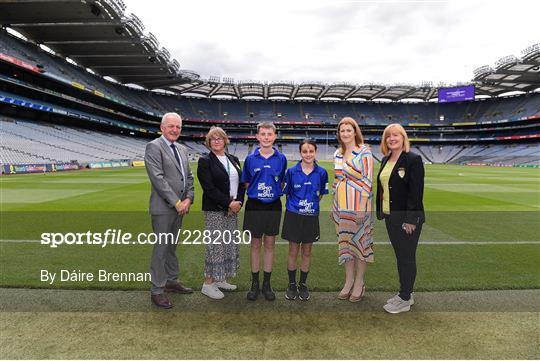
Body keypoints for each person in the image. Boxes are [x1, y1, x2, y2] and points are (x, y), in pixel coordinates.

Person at [144, 112, 194, 309]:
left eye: (178, 127)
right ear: (162, 127)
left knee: (172, 246)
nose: (175, 130)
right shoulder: (153, 147)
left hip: (180, 207)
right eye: (171, 126)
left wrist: (189, 198)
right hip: (164, 208)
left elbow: (188, 177)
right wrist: (176, 202)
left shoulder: (181, 149)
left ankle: (172, 281)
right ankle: (157, 290)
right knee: (161, 249)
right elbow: (157, 179)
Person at [376, 123, 425, 314]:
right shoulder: (385, 159)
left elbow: (416, 192)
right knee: (400, 257)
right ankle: (405, 292)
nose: (392, 139)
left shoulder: (413, 159)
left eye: (396, 135)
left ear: (403, 138)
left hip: (407, 219)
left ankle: (405, 298)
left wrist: (411, 220)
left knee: (407, 257)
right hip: (391, 217)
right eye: (388, 136)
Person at [241, 122, 287, 301]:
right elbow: (247, 183)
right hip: (255, 205)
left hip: (273, 205)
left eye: (270, 134)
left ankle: (267, 284)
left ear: (275, 137)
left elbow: (282, 181)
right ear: (257, 137)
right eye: (263, 134)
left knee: (269, 244)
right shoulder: (250, 159)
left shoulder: (281, 158)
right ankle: (254, 284)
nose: (266, 137)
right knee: (254, 245)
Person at [197, 127, 245, 300]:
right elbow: (209, 188)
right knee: (215, 246)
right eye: (212, 139)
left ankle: (221, 278)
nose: (216, 141)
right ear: (209, 143)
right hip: (215, 210)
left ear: (225, 140)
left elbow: (241, 184)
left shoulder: (234, 159)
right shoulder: (205, 161)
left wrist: (238, 203)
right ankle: (208, 284)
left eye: (219, 138)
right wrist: (228, 203)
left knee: (227, 245)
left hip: (232, 210)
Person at [332, 117, 374, 302]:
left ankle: (359, 283)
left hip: (359, 205)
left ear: (355, 132)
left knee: (360, 244)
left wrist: (363, 208)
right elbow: (336, 180)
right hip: (341, 205)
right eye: (343, 131)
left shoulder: (364, 152)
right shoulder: (337, 154)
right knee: (346, 245)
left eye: (349, 130)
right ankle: (348, 281)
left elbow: (367, 181)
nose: (346, 133)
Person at [282, 139, 328, 301]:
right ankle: (292, 284)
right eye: (305, 151)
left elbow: (321, 194)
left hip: (311, 217)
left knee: (307, 252)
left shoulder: (322, 172)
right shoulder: (291, 172)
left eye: (311, 151)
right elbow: (287, 193)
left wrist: (309, 206)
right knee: (293, 251)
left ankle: (303, 284)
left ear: (315, 152)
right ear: (300, 153)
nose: (308, 154)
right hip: (293, 216)